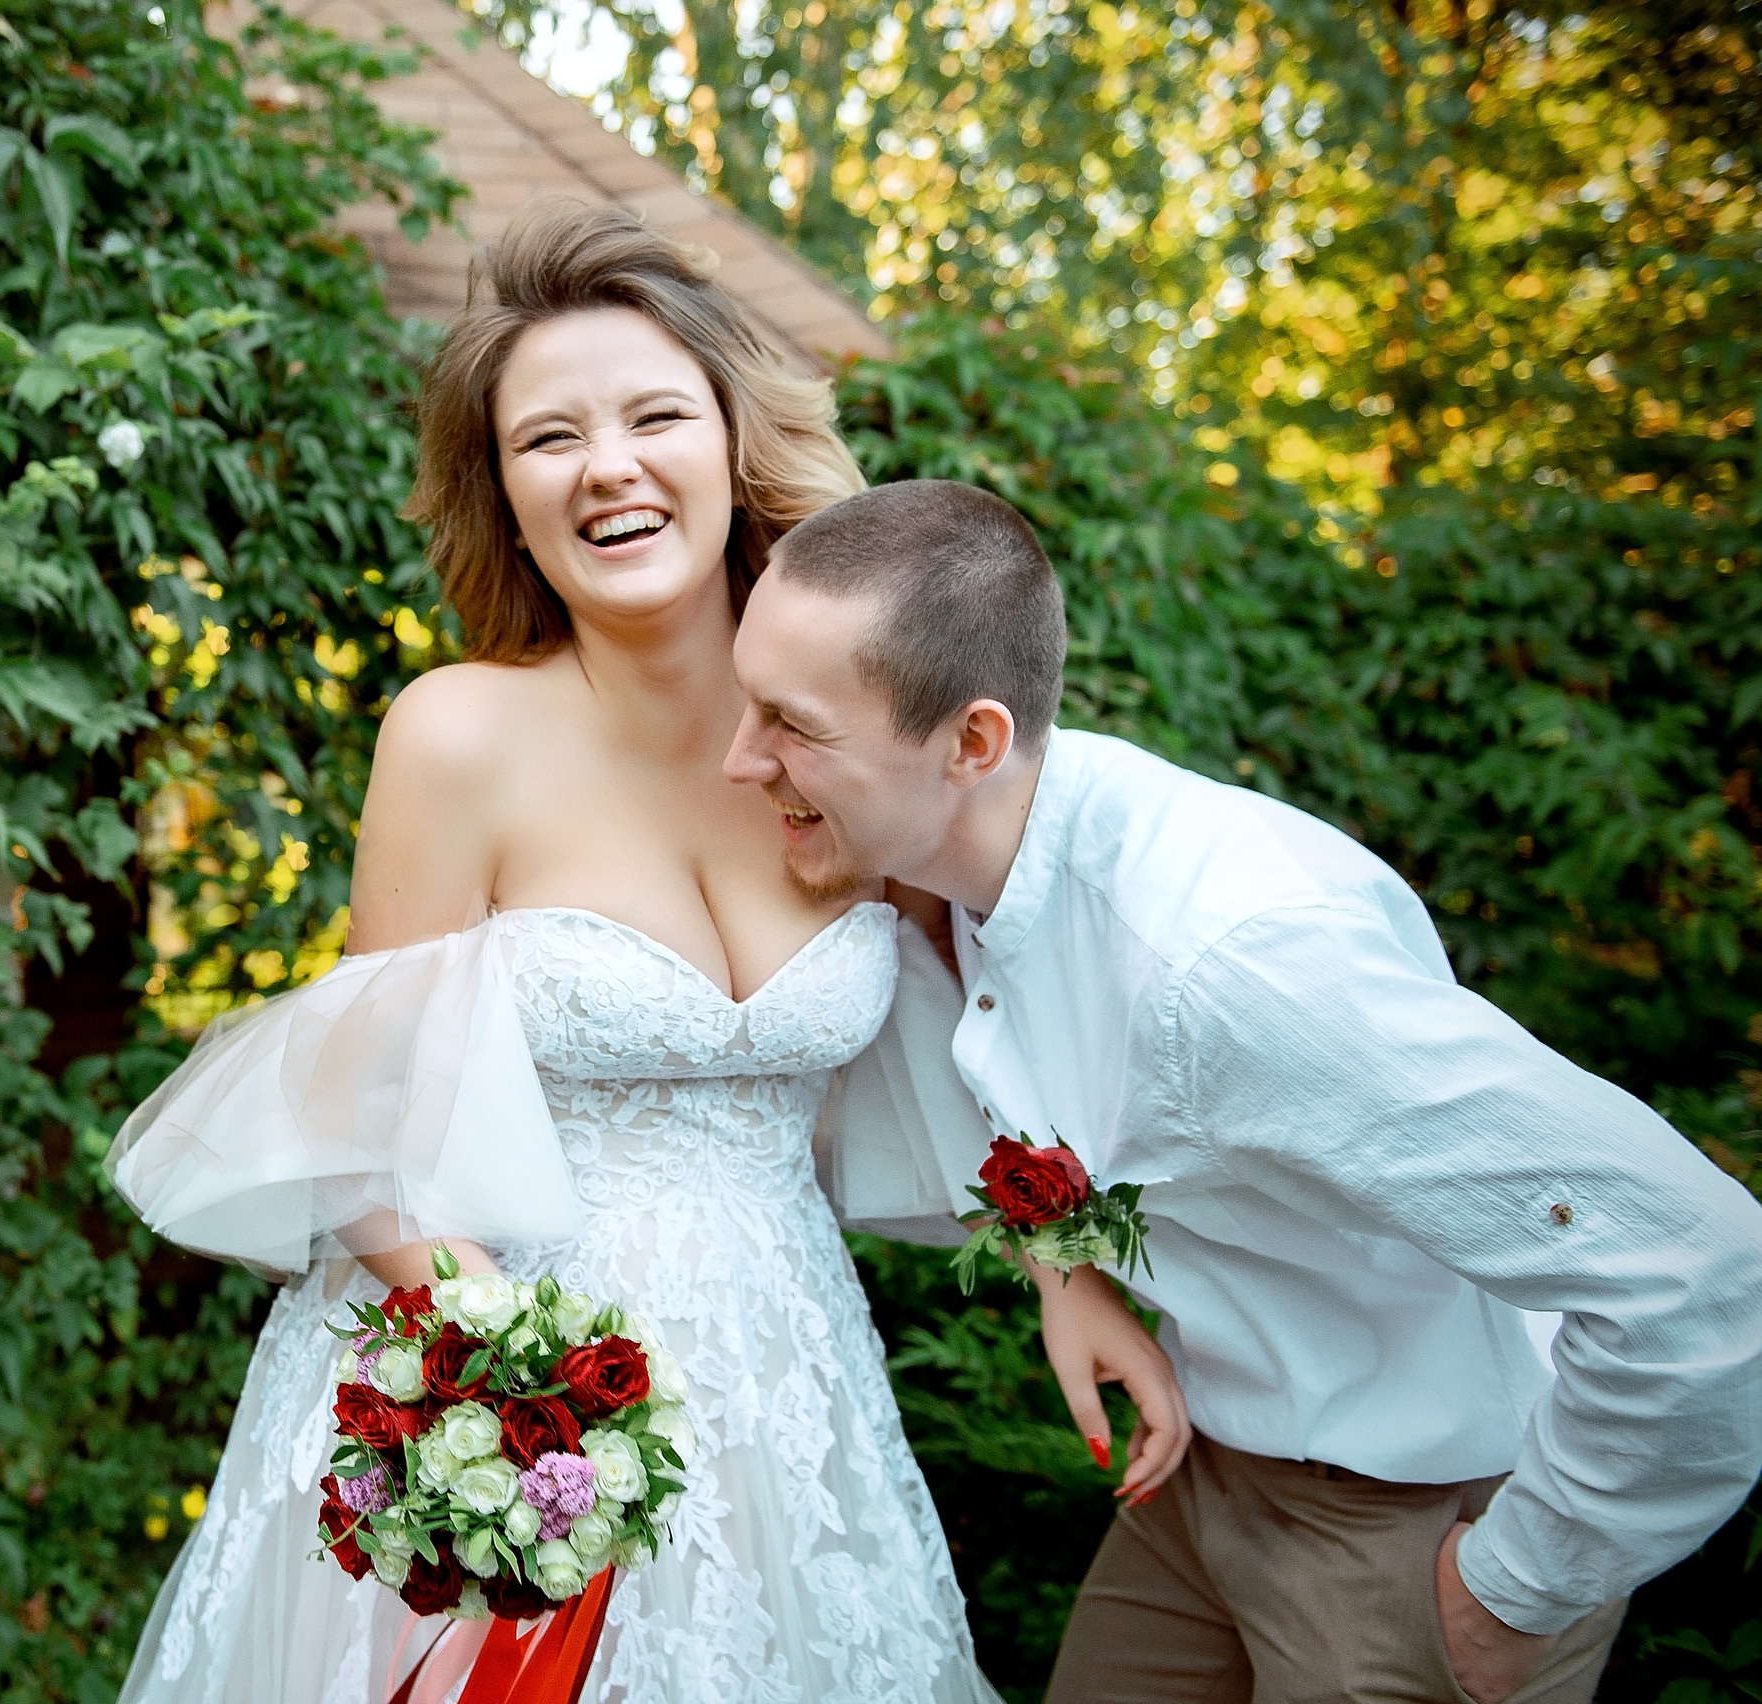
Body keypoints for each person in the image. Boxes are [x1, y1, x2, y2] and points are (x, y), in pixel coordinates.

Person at [103, 205, 1142, 1703]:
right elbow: (367, 1133)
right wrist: (524, 1408)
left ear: (732, 443)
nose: (608, 467)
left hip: (785, 1383)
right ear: (505, 493)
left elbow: (999, 1001)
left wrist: (1066, 1267)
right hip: (496, 1390)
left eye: (656, 415)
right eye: (547, 439)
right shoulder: (457, 736)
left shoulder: (861, 737)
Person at [725, 476, 1762, 1704]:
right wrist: (1067, 1272)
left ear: (972, 740)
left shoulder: (1235, 965)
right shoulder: (952, 866)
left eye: (792, 724)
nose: (743, 760)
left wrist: (1515, 1593)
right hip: (1201, 1478)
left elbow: (1704, 1271)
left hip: (1406, 1526)